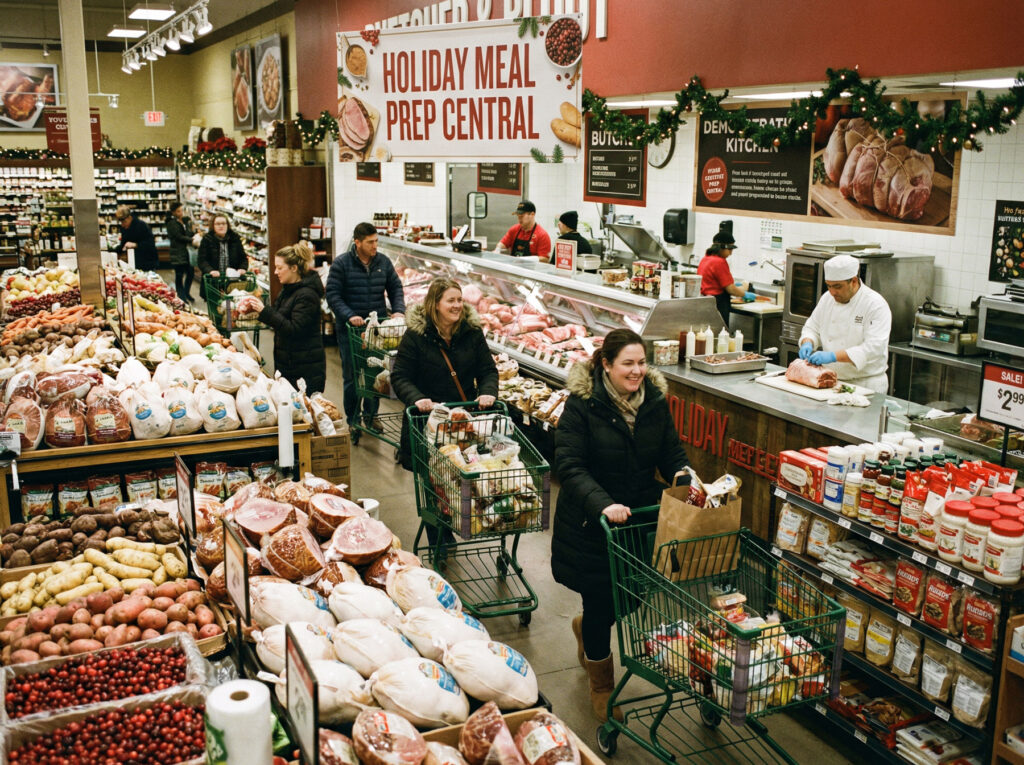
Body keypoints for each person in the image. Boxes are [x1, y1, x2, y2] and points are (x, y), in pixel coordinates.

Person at [550, 328, 688, 722]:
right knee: (601, 603)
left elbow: (670, 451)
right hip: (593, 523)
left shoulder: (655, 402)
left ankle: (585, 630)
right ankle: (601, 684)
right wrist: (604, 504)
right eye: (628, 363)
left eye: (642, 362)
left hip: (638, 522)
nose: (637, 371)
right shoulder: (582, 406)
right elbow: (570, 466)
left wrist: (683, 474)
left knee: (630, 598)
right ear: (606, 365)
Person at [391, 277, 498, 546]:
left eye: (460, 300)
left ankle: (463, 520)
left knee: (462, 477)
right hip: (428, 423)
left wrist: (488, 392)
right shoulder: (416, 336)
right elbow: (401, 376)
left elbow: (487, 370)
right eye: (451, 300)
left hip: (464, 422)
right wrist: (418, 399)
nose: (457, 305)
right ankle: (439, 534)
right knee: (434, 483)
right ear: (435, 304)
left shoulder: (472, 333)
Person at [326, 222, 406, 428]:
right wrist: (349, 315)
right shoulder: (342, 264)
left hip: (377, 331)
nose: (375, 246)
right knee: (352, 377)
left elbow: (395, 287)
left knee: (374, 374)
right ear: (357, 242)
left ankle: (371, 417)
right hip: (351, 331)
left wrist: (398, 310)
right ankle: (353, 419)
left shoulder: (383, 262)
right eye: (370, 242)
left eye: (376, 241)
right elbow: (333, 295)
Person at [798, 253, 892, 393]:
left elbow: (873, 348)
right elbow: (812, 327)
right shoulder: (827, 299)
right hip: (831, 380)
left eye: (837, 286)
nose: (832, 292)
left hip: (865, 384)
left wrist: (833, 356)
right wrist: (808, 342)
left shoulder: (875, 304)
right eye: (828, 286)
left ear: (853, 281)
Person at [246, 242, 327, 394]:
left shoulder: (307, 296)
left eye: (279, 267)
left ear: (294, 268)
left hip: (304, 369)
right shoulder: (289, 290)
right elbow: (279, 317)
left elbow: (294, 329)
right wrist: (257, 311)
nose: (275, 272)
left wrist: (265, 311)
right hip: (290, 363)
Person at [697, 231, 755, 324]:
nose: (731, 253)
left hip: (706, 303)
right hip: (718, 303)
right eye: (730, 249)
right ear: (723, 247)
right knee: (720, 334)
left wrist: (734, 286)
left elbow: (713, 282)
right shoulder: (719, 262)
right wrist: (744, 294)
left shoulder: (705, 259)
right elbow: (730, 289)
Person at [166, 203, 197, 304]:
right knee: (179, 276)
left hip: (187, 252)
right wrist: (191, 240)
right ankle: (182, 297)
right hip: (177, 253)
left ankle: (186, 293)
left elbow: (187, 233)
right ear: (173, 212)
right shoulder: (171, 223)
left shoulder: (184, 221)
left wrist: (192, 231)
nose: (181, 213)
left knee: (190, 273)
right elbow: (178, 236)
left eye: (182, 210)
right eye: (179, 211)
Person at [114, 205, 158, 271]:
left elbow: (150, 244)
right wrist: (112, 251)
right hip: (133, 262)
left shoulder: (142, 226)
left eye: (124, 222)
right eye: (121, 222)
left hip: (147, 262)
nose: (122, 224)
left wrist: (136, 245)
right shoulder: (124, 228)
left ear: (129, 217)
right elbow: (123, 244)